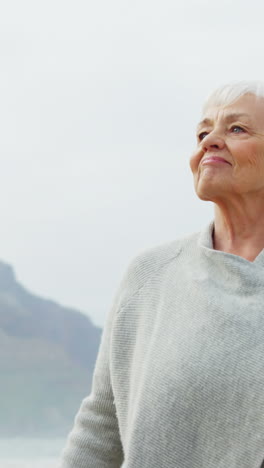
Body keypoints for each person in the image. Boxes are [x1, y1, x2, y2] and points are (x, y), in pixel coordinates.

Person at [59, 81, 264, 468]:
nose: (211, 142)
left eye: (236, 129)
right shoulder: (149, 276)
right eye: (203, 133)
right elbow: (100, 426)